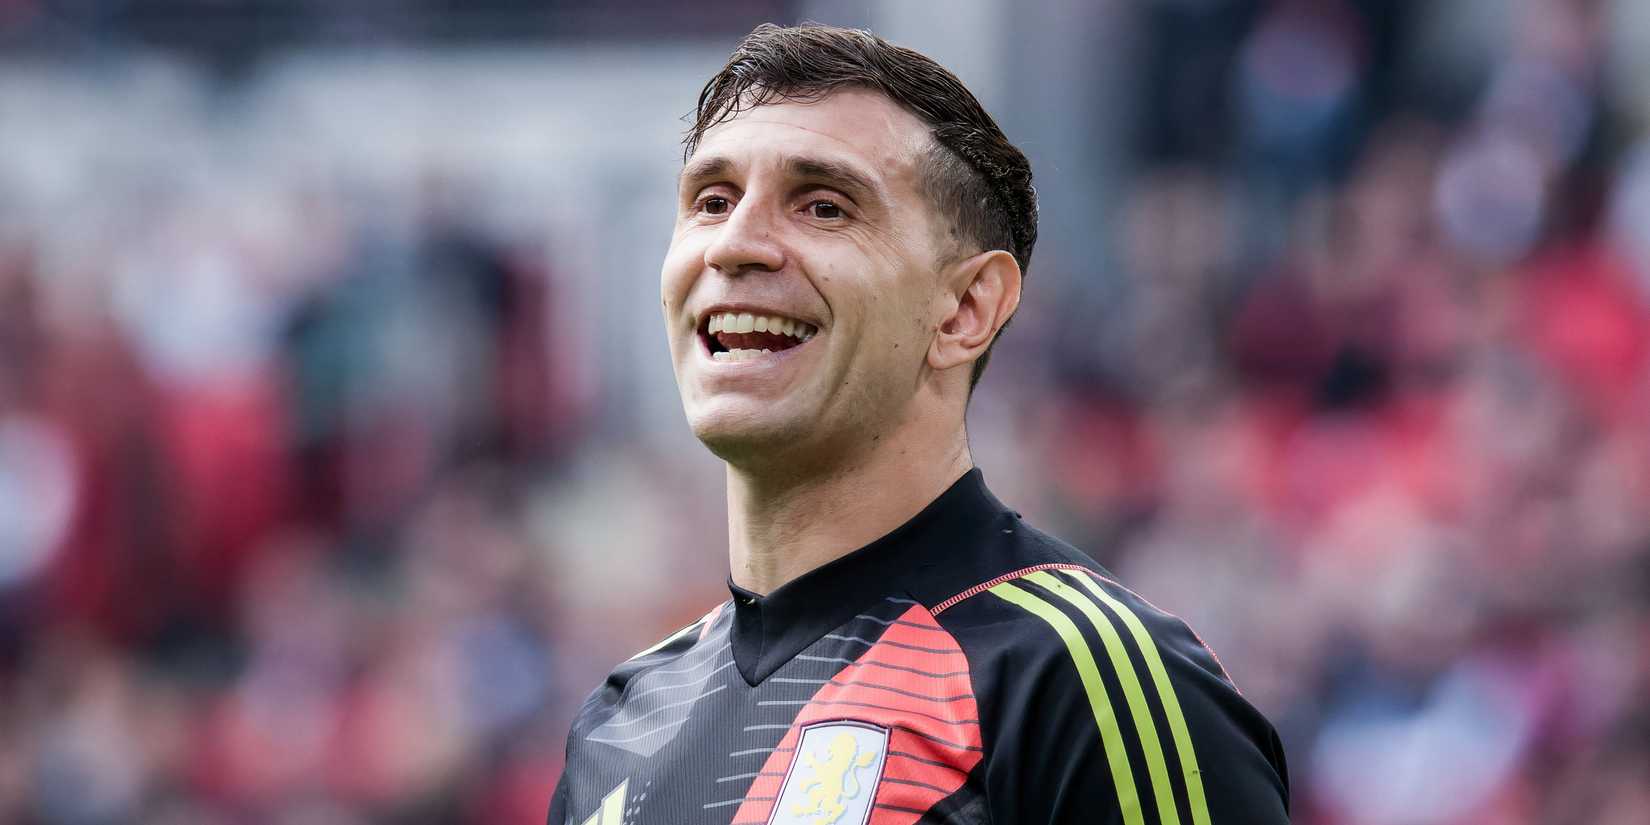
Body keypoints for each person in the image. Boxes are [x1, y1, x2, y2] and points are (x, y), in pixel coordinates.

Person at [547, 23, 1288, 825]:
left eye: (824, 206)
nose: (734, 244)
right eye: (712, 201)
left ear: (966, 309)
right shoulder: (621, 723)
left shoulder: (1080, 678)